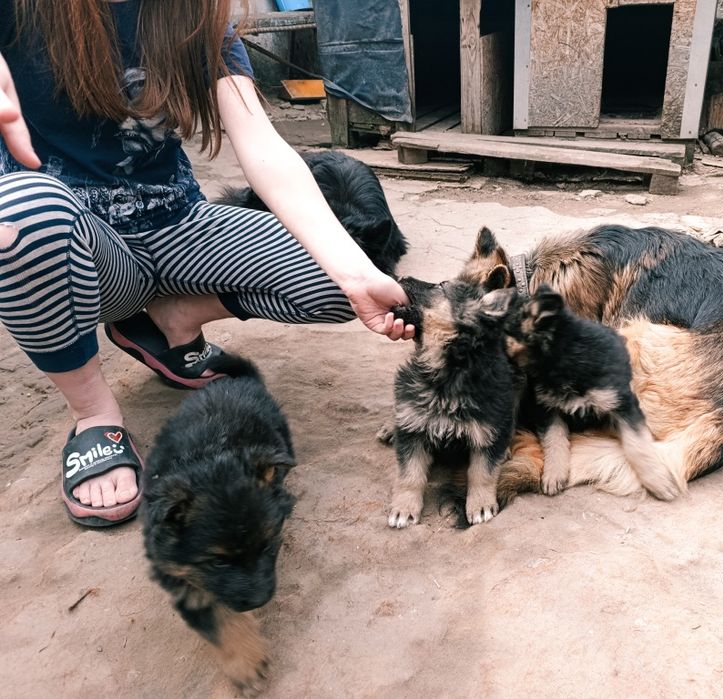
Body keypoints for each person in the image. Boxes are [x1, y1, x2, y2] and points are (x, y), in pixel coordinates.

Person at [0, 0, 414, 527]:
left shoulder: (194, 12)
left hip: (178, 223)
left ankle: (175, 318)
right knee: (21, 216)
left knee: (347, 277)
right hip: (87, 252)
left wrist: (354, 272)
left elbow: (261, 145)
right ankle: (93, 415)